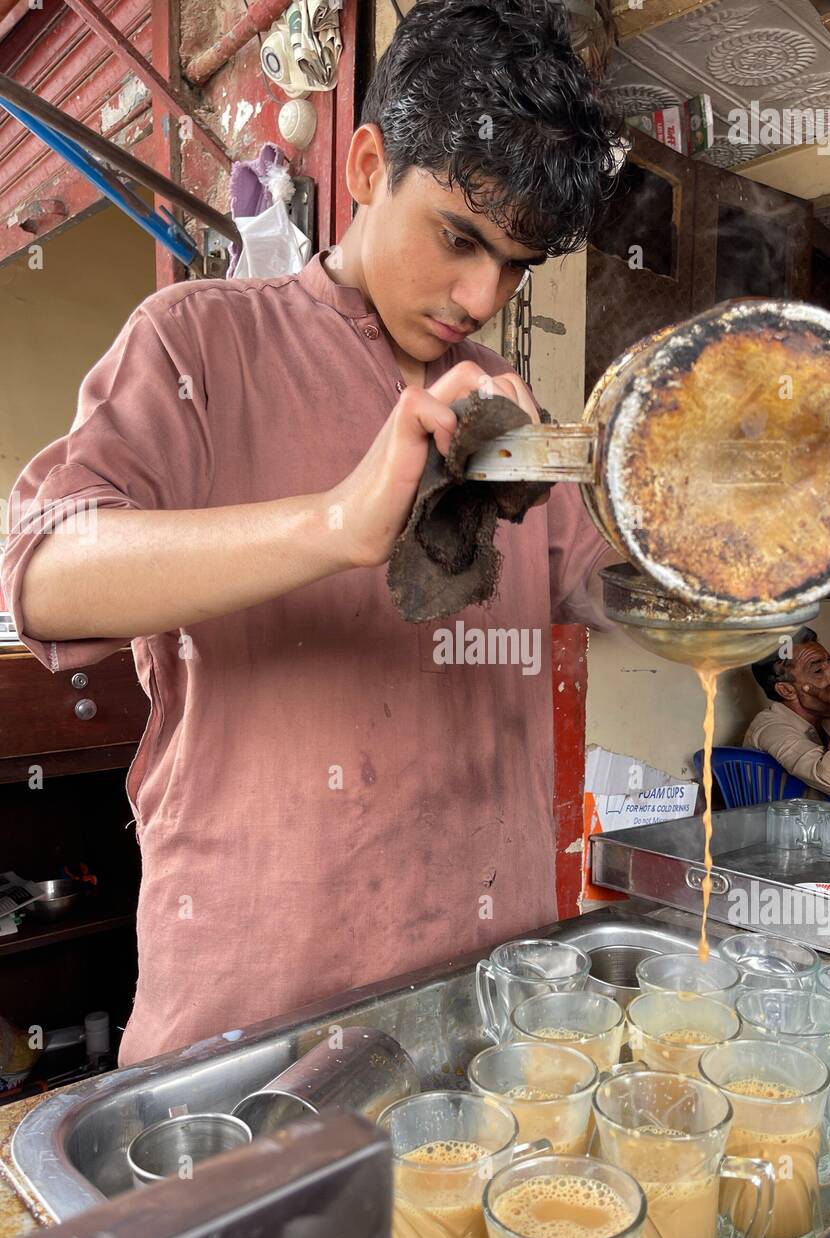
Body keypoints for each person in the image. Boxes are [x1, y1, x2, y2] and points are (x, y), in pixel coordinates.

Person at [1, 0, 624, 1064]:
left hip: (482, 1020)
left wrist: (729, 555)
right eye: (460, 238)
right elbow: (41, 572)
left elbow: (606, 589)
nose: (482, 294)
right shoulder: (199, 342)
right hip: (255, 1036)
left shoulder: (500, 403)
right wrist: (336, 523)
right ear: (366, 163)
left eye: (515, 265)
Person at [744, 627, 830, 809]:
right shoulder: (770, 727)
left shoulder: (823, 722)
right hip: (804, 834)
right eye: (818, 670)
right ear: (786, 690)